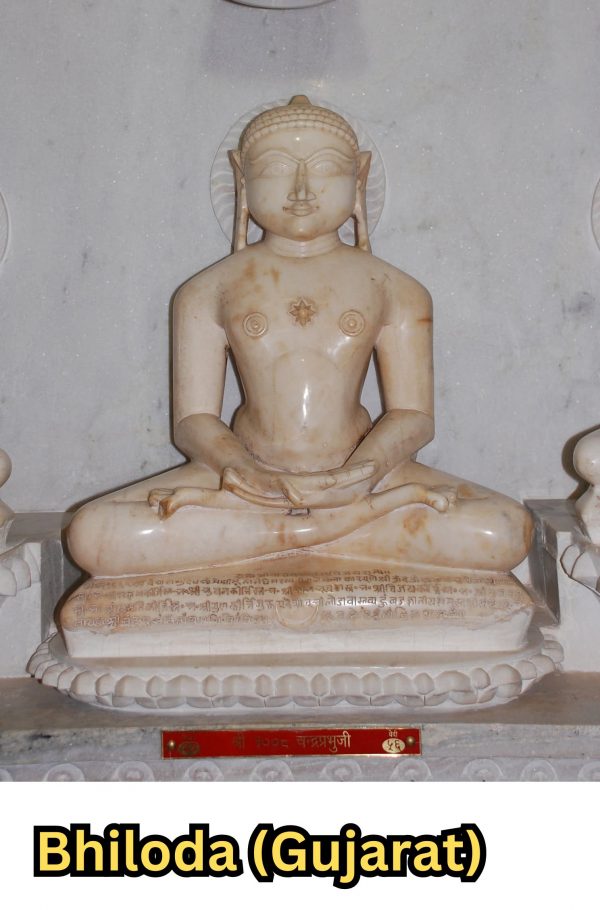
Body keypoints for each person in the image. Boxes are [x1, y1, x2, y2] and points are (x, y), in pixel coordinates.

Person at [67, 96, 531, 578]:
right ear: (242, 179)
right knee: (92, 534)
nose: (302, 190)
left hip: (365, 480)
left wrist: (362, 473)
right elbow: (193, 420)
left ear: (359, 176)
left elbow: (413, 416)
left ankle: (281, 538)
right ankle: (326, 535)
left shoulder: (395, 289)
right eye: (276, 169)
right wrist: (245, 472)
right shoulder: (208, 290)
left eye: (326, 168)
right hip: (244, 485)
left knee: (504, 530)